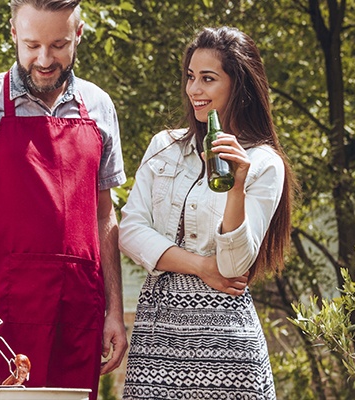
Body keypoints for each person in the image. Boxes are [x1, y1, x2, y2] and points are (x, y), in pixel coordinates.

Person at [0, 0, 127, 395]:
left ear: (78, 34)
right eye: (31, 45)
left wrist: (115, 311)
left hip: (76, 313)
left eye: (58, 45)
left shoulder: (100, 109)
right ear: (13, 36)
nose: (44, 59)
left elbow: (104, 215)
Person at [118, 26, 292, 399]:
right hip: (156, 334)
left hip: (227, 344)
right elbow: (130, 230)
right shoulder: (164, 147)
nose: (193, 90)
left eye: (208, 79)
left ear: (238, 85)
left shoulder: (264, 163)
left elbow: (233, 267)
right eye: (190, 77)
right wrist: (199, 266)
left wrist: (238, 185)